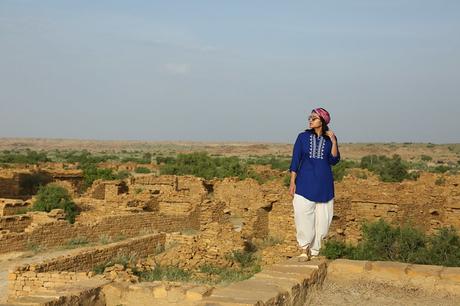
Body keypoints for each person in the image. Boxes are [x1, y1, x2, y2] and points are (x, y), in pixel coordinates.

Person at [288, 107, 340, 260]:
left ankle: (316, 251)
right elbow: (295, 160)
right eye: (310, 117)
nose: (310, 120)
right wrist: (292, 182)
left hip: (324, 184)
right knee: (303, 216)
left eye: (314, 118)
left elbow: (334, 160)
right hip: (304, 183)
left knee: (323, 221)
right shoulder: (302, 137)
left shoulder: (329, 139)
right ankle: (304, 249)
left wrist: (334, 141)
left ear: (322, 121)